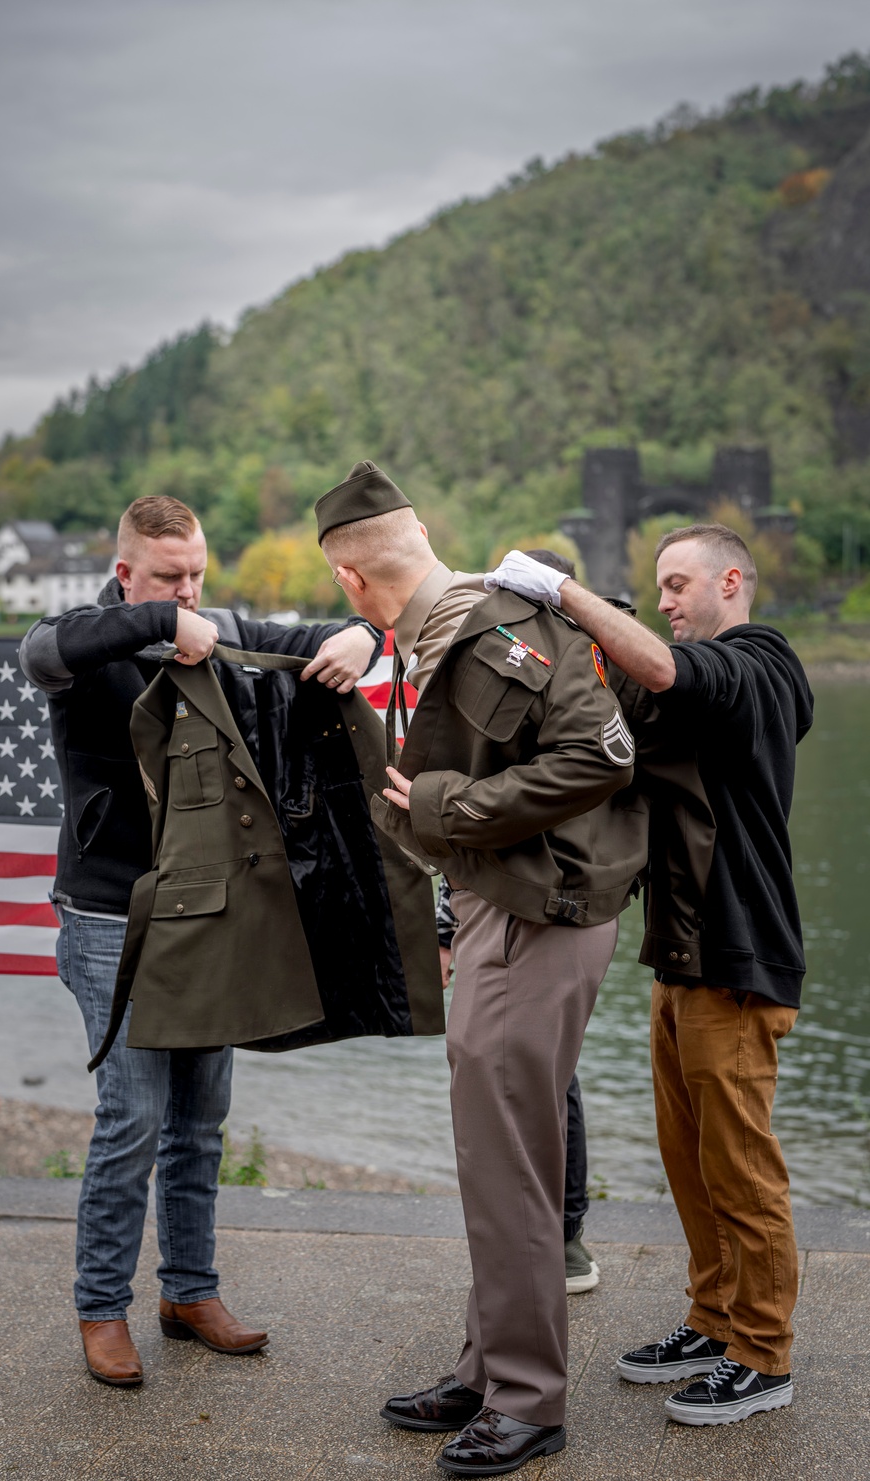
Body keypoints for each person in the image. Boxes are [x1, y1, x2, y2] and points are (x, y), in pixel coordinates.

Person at [317, 460, 649, 1477]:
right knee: (502, 1154)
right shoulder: (440, 628)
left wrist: (445, 807)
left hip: (538, 911)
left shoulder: (488, 629)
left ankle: (524, 1397)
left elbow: (604, 753)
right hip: (507, 907)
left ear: (346, 576)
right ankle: (487, 1362)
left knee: (505, 1160)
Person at [20, 494, 382, 1388]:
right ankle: (101, 1309)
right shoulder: (90, 644)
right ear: (125, 573)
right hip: (111, 917)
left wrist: (360, 640)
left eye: (197, 575)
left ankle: (189, 1292)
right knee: (131, 1118)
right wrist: (160, 625)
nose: (190, 592)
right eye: (168, 576)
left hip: (208, 911)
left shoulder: (218, 624)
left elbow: (326, 633)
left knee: (199, 1120)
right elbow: (40, 649)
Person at [487, 524, 813, 1426]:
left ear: (731, 581)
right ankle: (713, 1321)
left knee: (742, 1172)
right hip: (681, 957)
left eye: (678, 585)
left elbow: (668, 671)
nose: (666, 602)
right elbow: (621, 714)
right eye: (658, 589)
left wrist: (563, 593)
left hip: (741, 960)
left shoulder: (763, 664)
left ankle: (764, 1352)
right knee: (693, 1166)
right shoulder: (696, 688)